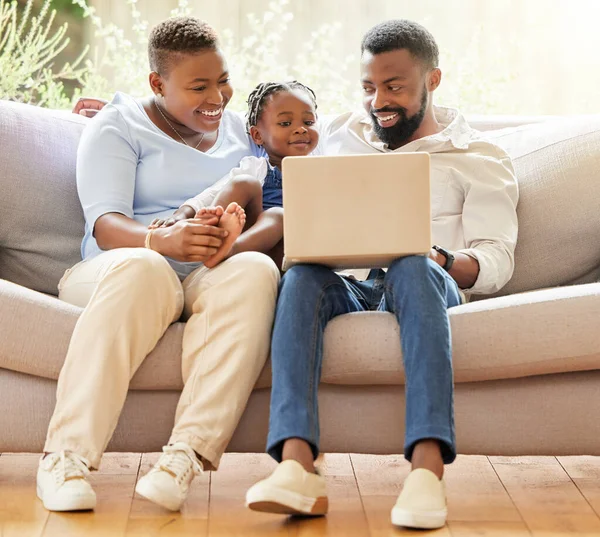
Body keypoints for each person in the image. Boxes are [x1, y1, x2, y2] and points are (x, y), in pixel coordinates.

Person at [245, 19, 519, 530]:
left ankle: (426, 472)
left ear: (432, 80)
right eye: (370, 87)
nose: (379, 101)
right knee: (300, 276)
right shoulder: (340, 135)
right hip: (351, 283)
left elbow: (497, 260)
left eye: (394, 86)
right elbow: (263, 142)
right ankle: (297, 467)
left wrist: (440, 258)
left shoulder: (480, 157)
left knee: (412, 264)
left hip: (427, 285)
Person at [36, 16, 281, 513]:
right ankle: (65, 458)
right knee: (145, 269)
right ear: (157, 83)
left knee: (257, 270)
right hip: (119, 268)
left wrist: (231, 236)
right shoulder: (117, 126)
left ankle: (184, 458)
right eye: (198, 86)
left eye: (223, 80)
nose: (218, 96)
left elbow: (274, 183)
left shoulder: (242, 131)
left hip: (207, 273)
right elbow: (106, 225)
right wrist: (162, 240)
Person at [147, 80, 319, 269]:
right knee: (244, 183)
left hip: (291, 252)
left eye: (308, 122)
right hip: (252, 242)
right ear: (257, 136)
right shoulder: (257, 167)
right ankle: (210, 233)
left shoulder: (323, 171)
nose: (301, 129)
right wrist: (182, 214)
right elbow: (214, 192)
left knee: (279, 215)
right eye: (285, 123)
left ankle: (227, 250)